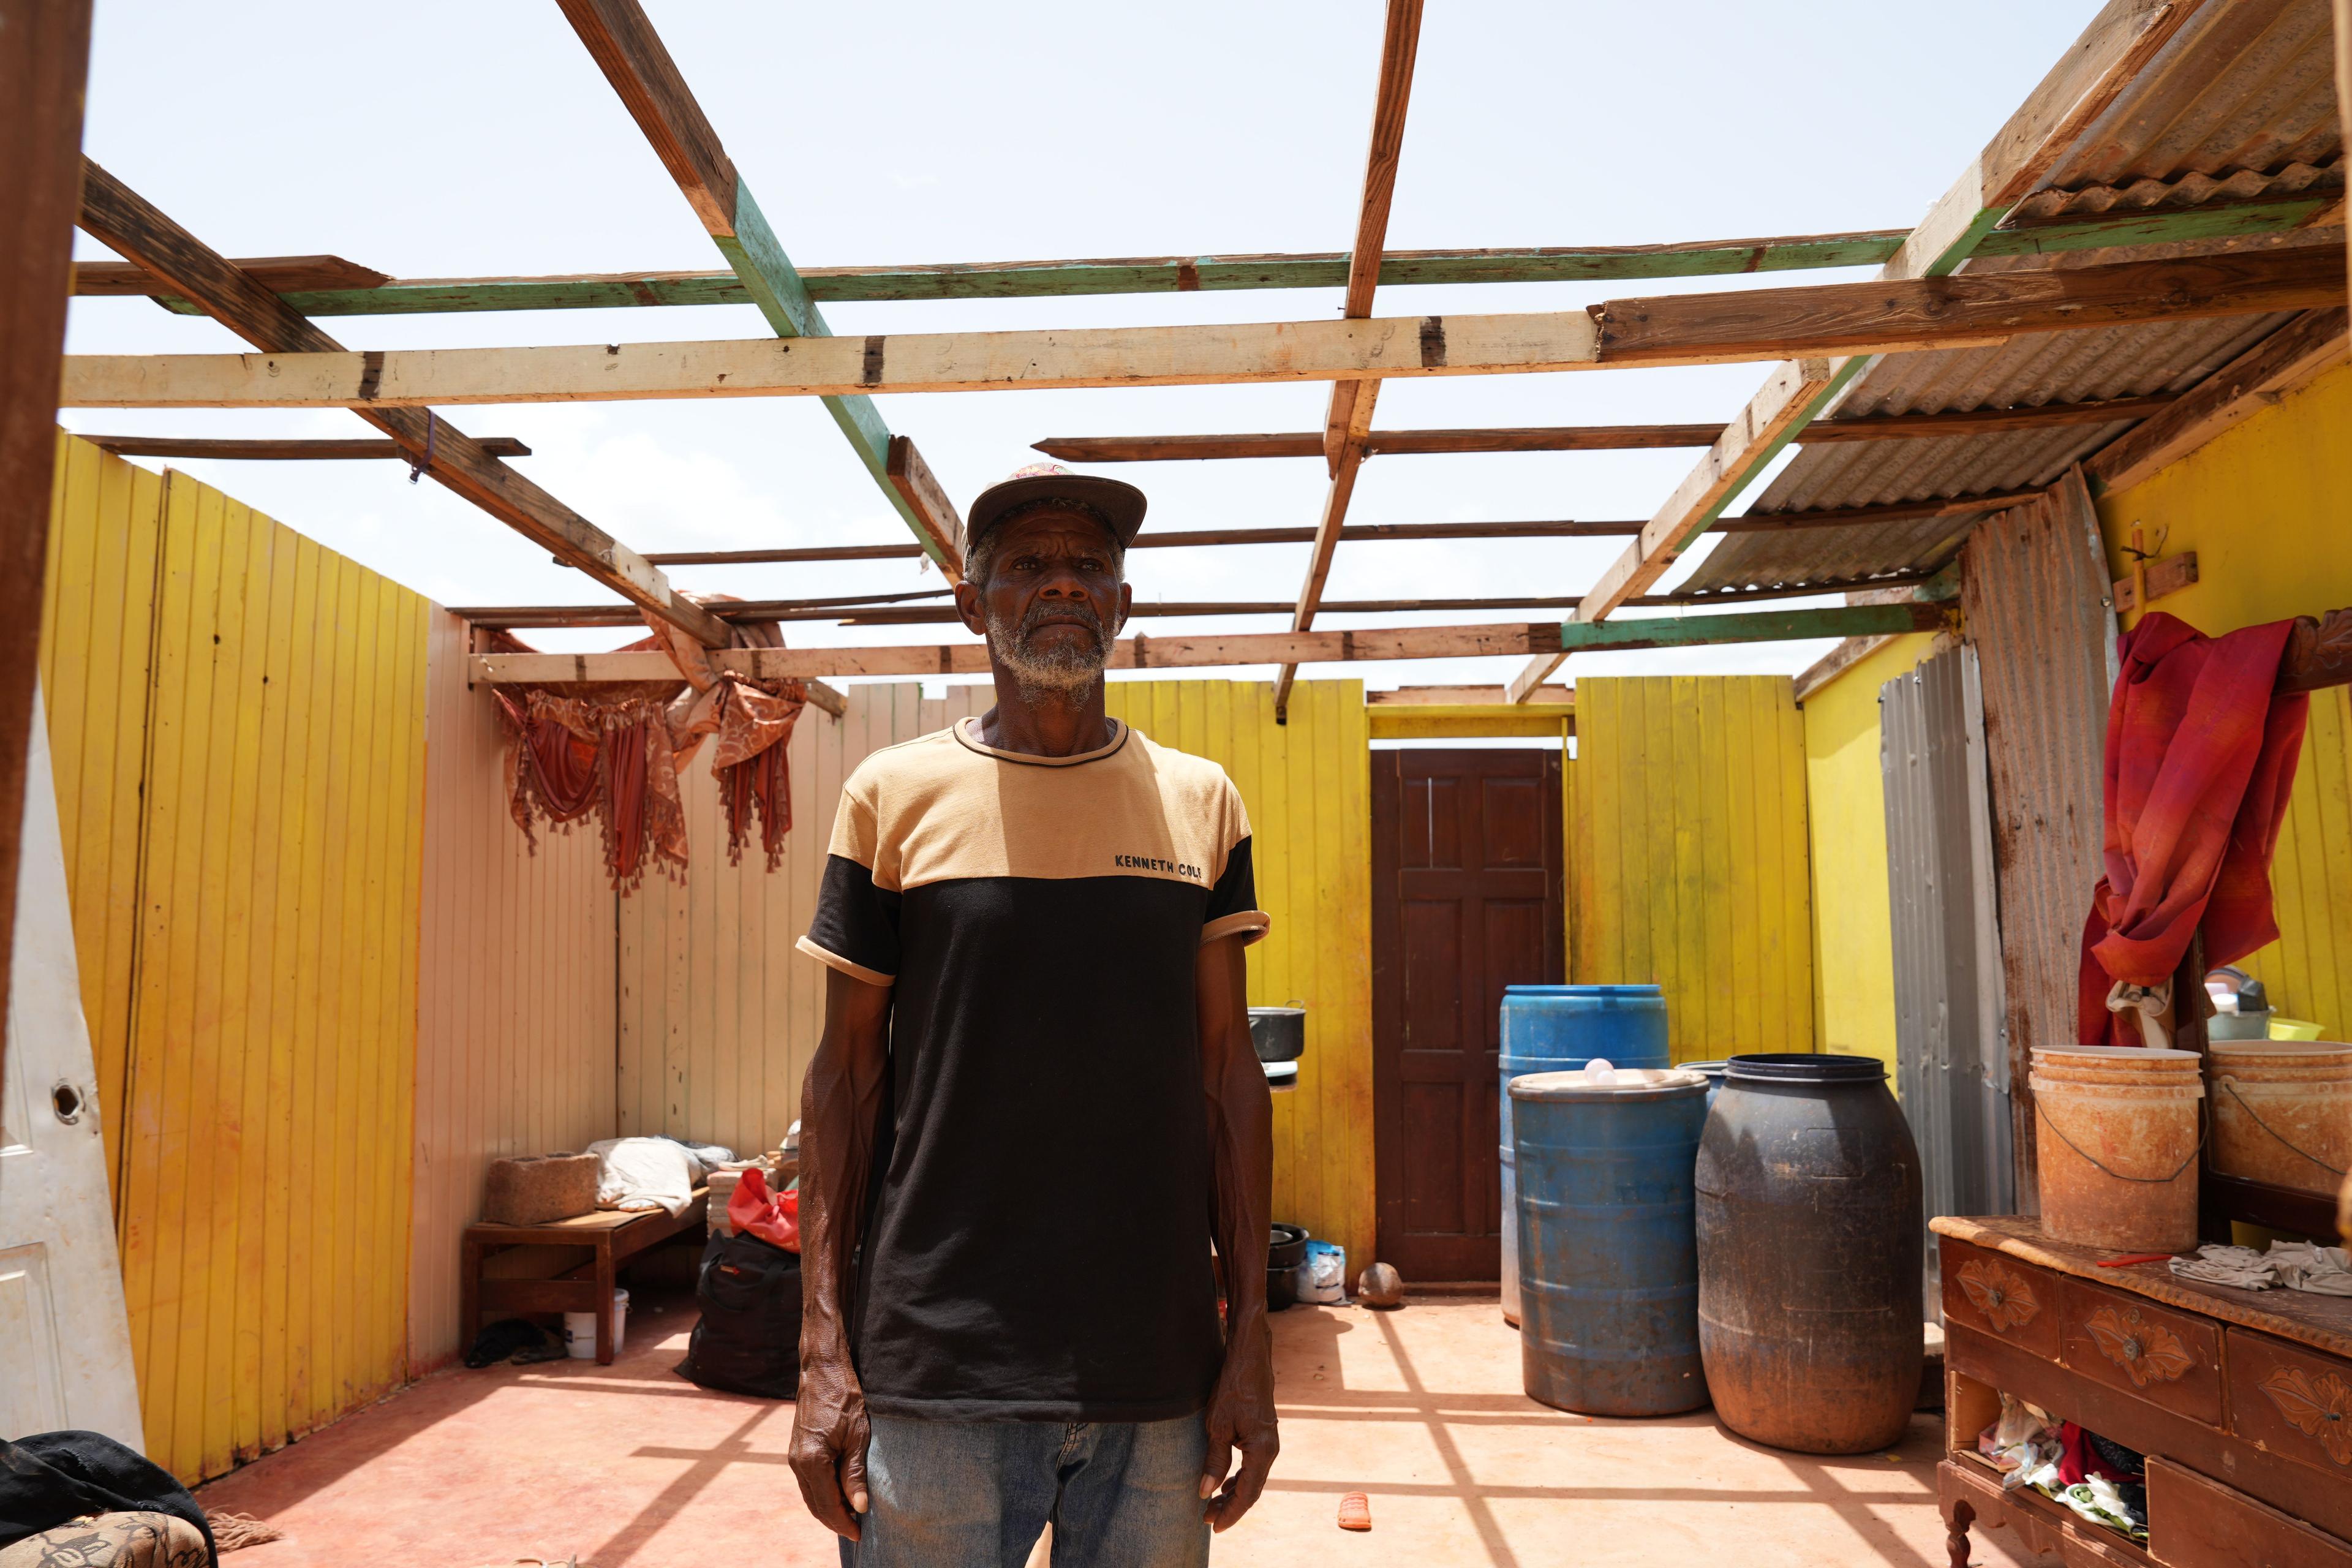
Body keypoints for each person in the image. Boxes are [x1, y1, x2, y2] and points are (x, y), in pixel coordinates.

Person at [789, 464, 1278, 1566]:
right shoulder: (891, 797)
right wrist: (821, 1347)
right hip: (935, 1372)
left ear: (1121, 602)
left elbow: (1227, 1076)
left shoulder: (1200, 802)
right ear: (975, 604)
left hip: (1157, 1373)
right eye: (1028, 565)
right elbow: (846, 1079)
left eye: (1089, 565)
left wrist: (1250, 1336)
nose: (1063, 584)